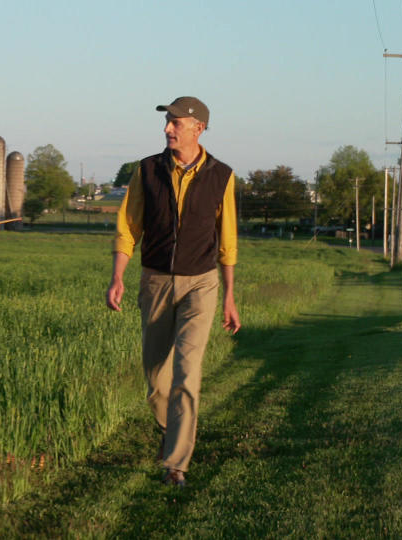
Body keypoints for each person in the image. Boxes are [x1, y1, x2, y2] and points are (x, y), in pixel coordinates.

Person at [106, 96, 241, 487]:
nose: (168, 129)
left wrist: (229, 295)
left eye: (175, 123)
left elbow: (227, 240)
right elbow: (128, 227)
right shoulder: (146, 170)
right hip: (155, 280)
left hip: (201, 282)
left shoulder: (222, 175)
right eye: (167, 123)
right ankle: (173, 428)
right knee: (156, 381)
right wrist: (118, 276)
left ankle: (176, 464)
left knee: (187, 371)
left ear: (198, 128)